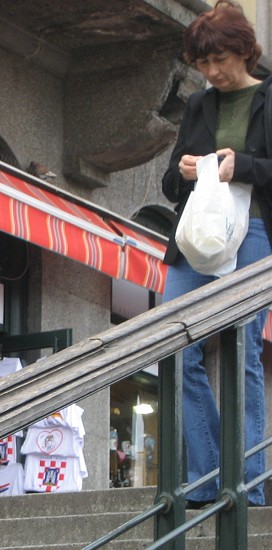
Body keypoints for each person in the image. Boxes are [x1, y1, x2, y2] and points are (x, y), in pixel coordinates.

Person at [162, 0, 271, 506]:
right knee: (174, 343)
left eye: (219, 60)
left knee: (243, 351)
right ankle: (206, 478)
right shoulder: (198, 106)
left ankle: (247, 484)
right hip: (197, 238)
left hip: (255, 233)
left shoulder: (268, 97)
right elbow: (168, 183)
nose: (211, 72)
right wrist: (185, 171)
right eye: (202, 63)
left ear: (244, 52)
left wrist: (241, 165)